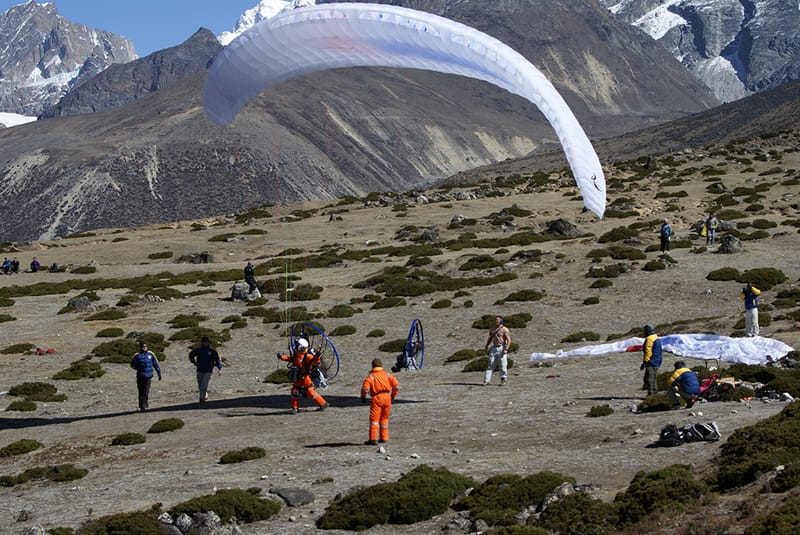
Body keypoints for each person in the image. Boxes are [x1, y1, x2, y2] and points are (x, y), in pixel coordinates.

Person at [277, 338, 328, 413]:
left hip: (305, 377)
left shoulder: (308, 356)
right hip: (298, 376)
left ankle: (323, 403)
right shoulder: (297, 354)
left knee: (309, 392)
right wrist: (282, 357)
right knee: (295, 391)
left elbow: (315, 362)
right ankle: (295, 408)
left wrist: (317, 357)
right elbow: (290, 359)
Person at [360, 358, 399, 445]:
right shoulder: (387, 375)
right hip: (387, 397)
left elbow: (365, 388)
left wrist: (363, 397)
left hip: (377, 398)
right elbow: (396, 386)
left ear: (372, 366)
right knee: (384, 418)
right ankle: (384, 438)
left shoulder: (371, 377)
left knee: (374, 420)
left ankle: (373, 439)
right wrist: (392, 396)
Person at [188, 336, 222, 403]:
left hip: (208, 370)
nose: (205, 343)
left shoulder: (211, 351)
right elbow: (191, 355)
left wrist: (219, 368)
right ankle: (204, 395)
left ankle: (202, 398)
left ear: (208, 342)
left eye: (206, 342)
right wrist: (193, 362)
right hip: (200, 369)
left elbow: (217, 359)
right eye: (204, 342)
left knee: (204, 384)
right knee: (200, 384)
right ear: (202, 342)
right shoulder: (199, 350)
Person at [130, 341, 161, 412]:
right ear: (140, 347)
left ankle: (145, 405)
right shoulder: (137, 355)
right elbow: (132, 365)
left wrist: (158, 372)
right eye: (143, 347)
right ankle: (142, 406)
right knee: (141, 391)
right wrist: (137, 368)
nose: (145, 348)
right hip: (140, 376)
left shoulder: (151, 354)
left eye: (146, 346)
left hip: (148, 376)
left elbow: (155, 364)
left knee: (146, 391)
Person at [484, 315, 511, 386]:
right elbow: (490, 338)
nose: (495, 321)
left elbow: (508, 340)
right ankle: (486, 380)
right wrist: (487, 345)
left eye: (497, 320)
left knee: (502, 364)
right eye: (495, 320)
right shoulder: (492, 329)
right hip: (494, 348)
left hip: (501, 347)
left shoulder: (504, 329)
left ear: (501, 321)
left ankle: (503, 379)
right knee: (490, 364)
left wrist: (506, 349)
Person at [640, 324, 662, 396]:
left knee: (649, 378)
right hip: (657, 360)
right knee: (654, 377)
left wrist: (645, 361)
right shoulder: (655, 337)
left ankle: (651, 393)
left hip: (652, 360)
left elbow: (648, 351)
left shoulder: (649, 339)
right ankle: (655, 392)